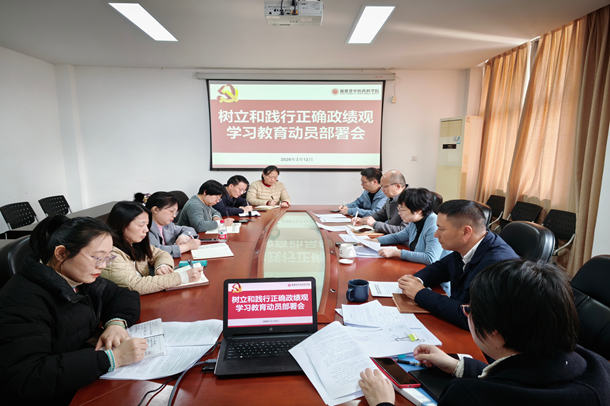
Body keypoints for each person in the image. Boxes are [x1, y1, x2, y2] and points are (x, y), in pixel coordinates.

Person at [359, 259, 610, 406]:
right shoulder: (595, 365)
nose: (466, 313)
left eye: (469, 310)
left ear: (494, 333)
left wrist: (383, 402)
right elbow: (528, 378)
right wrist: (459, 366)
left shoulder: (470, 397)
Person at [0, 215, 147, 405]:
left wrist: (116, 323)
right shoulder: (23, 300)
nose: (103, 266)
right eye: (97, 257)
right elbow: (27, 376)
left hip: (82, 379)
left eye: (107, 257)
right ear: (61, 253)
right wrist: (112, 358)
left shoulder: (78, 278)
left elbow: (123, 295)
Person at [398, 199, 518, 329]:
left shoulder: (496, 265)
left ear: (466, 232)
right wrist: (417, 280)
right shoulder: (467, 245)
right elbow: (442, 267)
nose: (436, 235)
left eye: (441, 229)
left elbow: (471, 317)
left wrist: (420, 294)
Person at [102, 201, 202, 294]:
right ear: (122, 225)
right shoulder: (110, 255)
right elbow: (135, 285)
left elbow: (161, 253)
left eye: (147, 225)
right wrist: (182, 277)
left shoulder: (134, 243)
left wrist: (162, 265)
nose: (146, 230)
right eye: (141, 225)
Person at [377, 188, 447, 265]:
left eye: (402, 210)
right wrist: (374, 241)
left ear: (418, 211)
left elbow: (431, 258)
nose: (399, 213)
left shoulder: (434, 224)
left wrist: (397, 253)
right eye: (398, 209)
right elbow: (397, 237)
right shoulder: (414, 221)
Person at [145, 191, 201, 258]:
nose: (174, 216)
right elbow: (156, 251)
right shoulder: (145, 228)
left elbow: (189, 229)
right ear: (155, 210)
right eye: (171, 211)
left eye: (175, 212)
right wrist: (187, 246)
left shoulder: (167, 225)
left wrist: (184, 236)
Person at [354, 169, 407, 234]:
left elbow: (403, 231)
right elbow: (379, 215)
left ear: (398, 186)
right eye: (381, 186)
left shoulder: (410, 200)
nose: (382, 190)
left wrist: (374, 224)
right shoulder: (391, 198)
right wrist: (363, 220)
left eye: (385, 187)